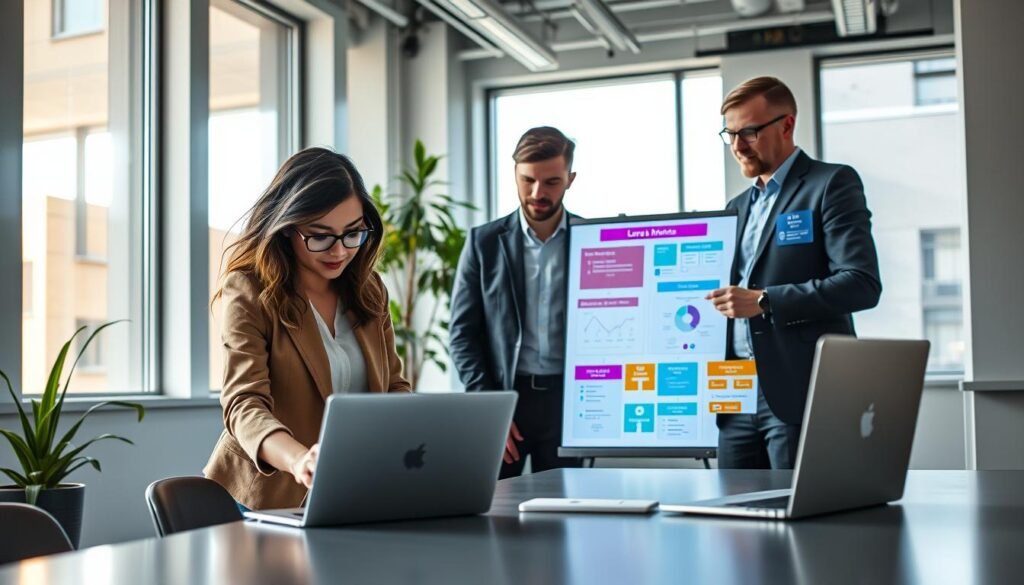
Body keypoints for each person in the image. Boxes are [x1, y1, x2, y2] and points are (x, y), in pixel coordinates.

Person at [204, 147, 410, 511]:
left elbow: (393, 387)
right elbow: (243, 404)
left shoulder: (368, 288)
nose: (340, 251)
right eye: (320, 236)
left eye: (352, 233)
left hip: (354, 490)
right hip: (266, 498)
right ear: (286, 229)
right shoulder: (249, 289)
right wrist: (300, 460)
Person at [706, 77, 881, 469]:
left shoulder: (830, 184)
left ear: (787, 125)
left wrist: (766, 301)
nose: (737, 146)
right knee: (732, 521)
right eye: (730, 134)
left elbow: (861, 283)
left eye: (749, 132)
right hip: (732, 395)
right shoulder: (735, 206)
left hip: (796, 390)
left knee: (795, 518)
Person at [449, 126, 583, 478]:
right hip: (506, 396)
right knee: (495, 509)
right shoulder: (484, 243)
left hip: (569, 401)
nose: (538, 193)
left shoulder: (594, 240)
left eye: (552, 182)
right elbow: (463, 334)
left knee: (565, 511)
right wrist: (488, 406)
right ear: (515, 175)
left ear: (570, 179)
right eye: (528, 180)